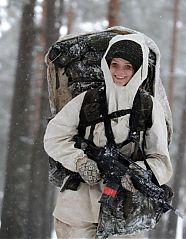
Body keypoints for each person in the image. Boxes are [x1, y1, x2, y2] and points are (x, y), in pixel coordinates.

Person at [44, 33, 173, 239]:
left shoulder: (149, 107)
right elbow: (54, 138)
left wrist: (138, 173)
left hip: (126, 210)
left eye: (128, 66)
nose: (120, 72)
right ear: (107, 64)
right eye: (115, 64)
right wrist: (79, 162)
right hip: (78, 206)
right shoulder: (88, 99)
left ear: (138, 70)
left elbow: (161, 161)